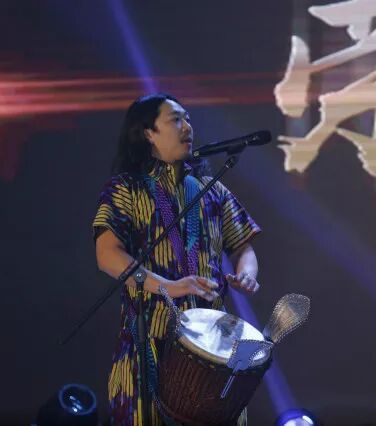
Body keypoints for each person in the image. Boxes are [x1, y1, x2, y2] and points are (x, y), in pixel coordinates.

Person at [92, 93, 261, 425]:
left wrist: (246, 273)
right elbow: (107, 255)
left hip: (213, 349)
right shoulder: (125, 190)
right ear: (148, 133)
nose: (187, 127)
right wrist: (169, 286)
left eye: (188, 119)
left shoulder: (211, 189)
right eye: (175, 120)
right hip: (149, 343)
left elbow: (244, 247)